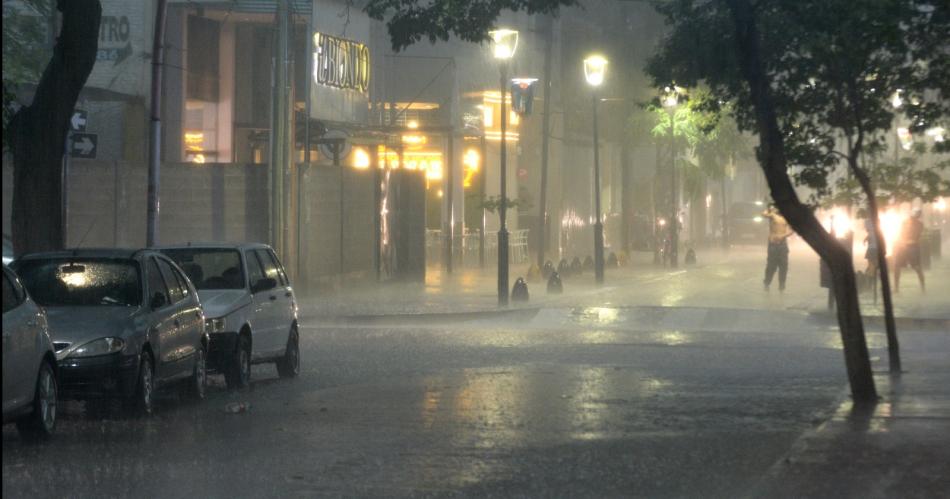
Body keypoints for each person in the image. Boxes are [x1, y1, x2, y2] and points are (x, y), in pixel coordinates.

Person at [763, 204, 793, 291]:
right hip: (773, 244)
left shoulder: (787, 217)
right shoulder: (773, 215)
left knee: (784, 265)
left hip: (783, 244)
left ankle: (782, 284)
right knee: (771, 265)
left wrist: (783, 235)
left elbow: (792, 230)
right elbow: (764, 214)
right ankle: (767, 282)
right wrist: (770, 209)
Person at [895, 208, 925, 292]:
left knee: (916, 267)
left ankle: (923, 288)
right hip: (905, 246)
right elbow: (901, 233)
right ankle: (896, 288)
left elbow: (915, 236)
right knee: (897, 267)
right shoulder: (906, 223)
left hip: (911, 247)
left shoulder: (918, 224)